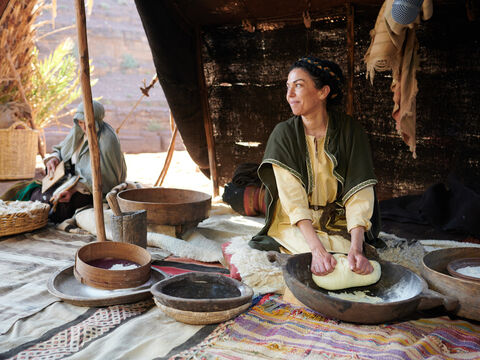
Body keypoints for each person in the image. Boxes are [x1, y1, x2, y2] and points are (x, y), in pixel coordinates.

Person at [249, 57, 381, 277]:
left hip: (338, 220)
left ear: (322, 92)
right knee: (318, 258)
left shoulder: (351, 131)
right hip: (294, 224)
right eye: (288, 87)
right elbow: (292, 199)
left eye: (298, 86)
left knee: (351, 260)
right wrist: (317, 250)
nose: (289, 95)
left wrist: (356, 247)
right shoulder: (283, 134)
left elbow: (359, 192)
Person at [30, 100, 127, 223]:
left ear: (96, 121)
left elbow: (108, 178)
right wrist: (54, 158)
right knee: (35, 194)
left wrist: (74, 189)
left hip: (92, 190)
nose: (84, 127)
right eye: (81, 122)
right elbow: (62, 149)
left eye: (88, 123)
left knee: (60, 205)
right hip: (69, 180)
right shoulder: (78, 130)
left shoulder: (107, 140)